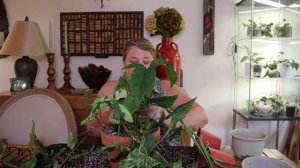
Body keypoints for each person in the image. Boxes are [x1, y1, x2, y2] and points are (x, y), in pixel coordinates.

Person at [86, 38, 208, 139]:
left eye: (146, 61)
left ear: (154, 64)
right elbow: (91, 130)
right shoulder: (111, 88)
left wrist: (167, 118)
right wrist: (107, 117)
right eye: (133, 61)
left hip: (163, 158)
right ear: (124, 63)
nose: (140, 67)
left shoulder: (165, 88)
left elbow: (201, 117)